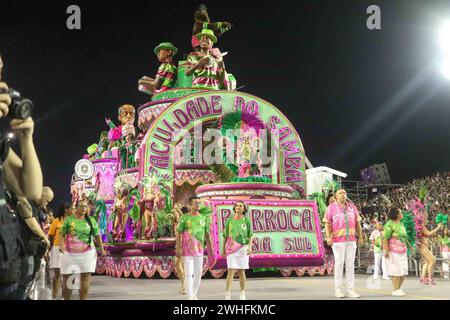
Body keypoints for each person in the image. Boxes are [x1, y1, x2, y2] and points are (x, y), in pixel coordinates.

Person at [59, 198, 106, 300]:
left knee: (85, 277)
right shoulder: (69, 219)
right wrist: (61, 245)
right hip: (69, 253)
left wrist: (102, 249)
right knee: (69, 278)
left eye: (85, 206)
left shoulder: (91, 220)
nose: (84, 208)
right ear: (76, 208)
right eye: (81, 206)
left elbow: (97, 235)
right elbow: (62, 234)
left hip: (87, 253)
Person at [323, 188, 364, 298]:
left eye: (344, 193)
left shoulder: (352, 207)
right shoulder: (330, 208)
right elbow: (327, 223)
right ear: (336, 196)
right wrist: (328, 237)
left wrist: (360, 237)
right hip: (338, 241)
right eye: (340, 193)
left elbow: (357, 223)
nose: (343, 194)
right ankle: (338, 289)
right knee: (339, 264)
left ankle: (351, 289)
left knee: (350, 265)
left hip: (351, 240)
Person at [176, 196, 213, 300]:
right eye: (196, 203)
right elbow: (178, 233)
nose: (198, 205)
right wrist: (178, 248)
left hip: (200, 251)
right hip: (187, 251)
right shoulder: (184, 217)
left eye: (199, 203)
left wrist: (210, 248)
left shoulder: (203, 218)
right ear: (190, 205)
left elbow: (207, 234)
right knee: (188, 274)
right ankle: (190, 296)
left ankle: (194, 294)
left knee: (198, 275)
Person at [223, 201, 253, 300]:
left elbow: (250, 235)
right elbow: (225, 236)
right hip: (231, 249)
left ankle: (242, 293)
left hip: (243, 249)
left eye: (241, 206)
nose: (238, 207)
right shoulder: (229, 221)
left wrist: (250, 246)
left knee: (241, 271)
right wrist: (223, 249)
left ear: (244, 209)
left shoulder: (247, 221)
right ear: (234, 208)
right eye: (237, 205)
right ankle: (227, 293)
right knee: (230, 271)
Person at [410, 199, 443, 285]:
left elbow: (424, 236)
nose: (426, 219)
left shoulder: (419, 227)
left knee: (427, 262)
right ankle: (429, 279)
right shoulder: (421, 227)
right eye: (424, 218)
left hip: (422, 246)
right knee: (432, 260)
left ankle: (422, 278)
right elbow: (429, 233)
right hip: (423, 247)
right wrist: (438, 227)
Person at [383, 208, 414, 296]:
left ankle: (399, 288)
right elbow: (385, 238)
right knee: (396, 271)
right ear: (396, 214)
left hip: (403, 251)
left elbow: (404, 237)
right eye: (400, 212)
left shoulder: (401, 224)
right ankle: (395, 289)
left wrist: (410, 246)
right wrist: (386, 250)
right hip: (394, 251)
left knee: (403, 272)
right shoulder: (389, 224)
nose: (402, 213)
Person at [48, 203, 74, 300]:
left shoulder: (75, 221)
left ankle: (64, 297)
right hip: (57, 248)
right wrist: (50, 247)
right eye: (73, 208)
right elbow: (51, 235)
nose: (74, 210)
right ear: (66, 209)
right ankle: (54, 297)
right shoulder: (56, 221)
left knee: (68, 275)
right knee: (57, 274)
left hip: (70, 250)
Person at [173, 204, 188, 294]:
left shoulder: (185, 220)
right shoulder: (180, 221)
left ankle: (184, 287)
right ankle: (183, 284)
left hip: (184, 246)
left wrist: (177, 210)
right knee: (177, 264)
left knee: (182, 266)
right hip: (178, 245)